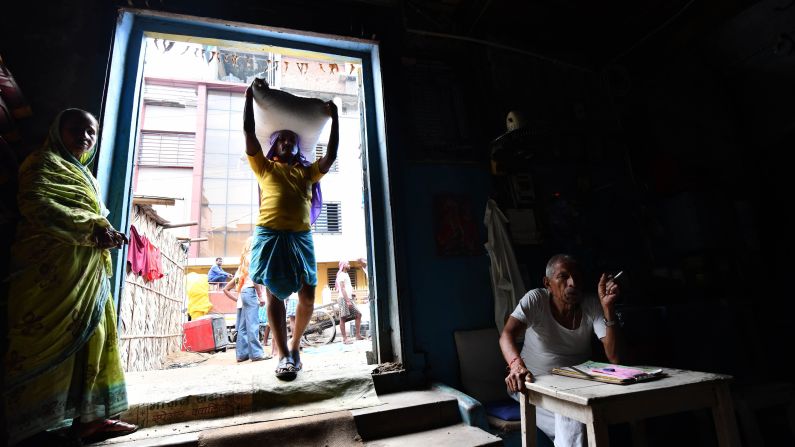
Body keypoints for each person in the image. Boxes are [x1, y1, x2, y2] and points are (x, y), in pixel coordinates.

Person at [3, 109, 138, 445]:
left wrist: (105, 233)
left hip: (86, 272)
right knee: (41, 344)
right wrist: (93, 230)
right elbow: (37, 204)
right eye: (75, 129)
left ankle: (92, 419)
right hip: (48, 275)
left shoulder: (87, 177)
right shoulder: (41, 163)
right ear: (57, 131)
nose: (84, 136)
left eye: (91, 131)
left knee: (96, 337)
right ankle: (32, 428)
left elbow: (94, 216)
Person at [244, 79, 339, 381]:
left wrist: (335, 118)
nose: (286, 142)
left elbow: (331, 156)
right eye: (281, 139)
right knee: (275, 299)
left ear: (298, 145)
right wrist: (248, 97)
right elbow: (249, 133)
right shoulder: (264, 168)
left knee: (307, 297)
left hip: (300, 239)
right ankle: (282, 354)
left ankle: (296, 348)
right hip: (270, 237)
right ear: (274, 145)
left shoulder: (307, 172)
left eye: (291, 139)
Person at [499, 254, 622, 447]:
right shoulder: (536, 299)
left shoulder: (591, 303)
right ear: (547, 283)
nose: (572, 283)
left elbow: (614, 357)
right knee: (573, 416)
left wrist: (608, 307)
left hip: (577, 386)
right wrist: (516, 367)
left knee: (590, 413)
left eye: (577, 277)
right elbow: (507, 335)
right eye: (563, 277)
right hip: (533, 383)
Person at [223, 237, 268, 362]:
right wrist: (260, 295)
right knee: (253, 324)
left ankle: (242, 355)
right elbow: (255, 277)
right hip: (250, 291)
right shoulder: (253, 257)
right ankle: (257, 354)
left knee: (242, 327)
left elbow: (235, 284)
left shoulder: (243, 259)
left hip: (243, 293)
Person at [336, 260, 365, 344]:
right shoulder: (341, 275)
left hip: (349, 298)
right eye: (347, 263)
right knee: (343, 318)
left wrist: (352, 295)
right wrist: (347, 300)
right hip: (343, 299)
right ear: (344, 265)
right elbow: (342, 288)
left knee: (358, 314)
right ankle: (345, 339)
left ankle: (357, 335)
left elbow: (347, 287)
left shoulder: (346, 274)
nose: (349, 265)